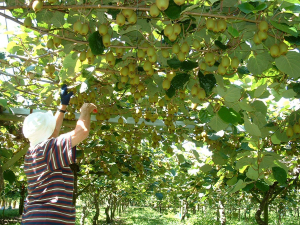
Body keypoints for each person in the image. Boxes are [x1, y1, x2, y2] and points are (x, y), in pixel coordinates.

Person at [21, 85, 97, 225]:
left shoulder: (33, 151)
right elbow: (82, 132)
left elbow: (53, 132)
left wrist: (63, 107)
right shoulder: (47, 149)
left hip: (35, 217)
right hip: (48, 218)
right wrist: (85, 111)